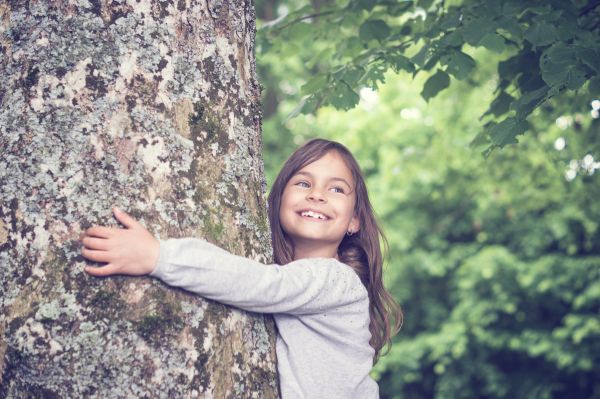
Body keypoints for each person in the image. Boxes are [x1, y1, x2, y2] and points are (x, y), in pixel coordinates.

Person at [81, 138, 402, 398]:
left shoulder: (337, 280)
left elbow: (263, 285)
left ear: (354, 221)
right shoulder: (297, 277)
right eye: (303, 183)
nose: (317, 195)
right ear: (278, 201)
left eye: (336, 189)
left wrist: (157, 256)